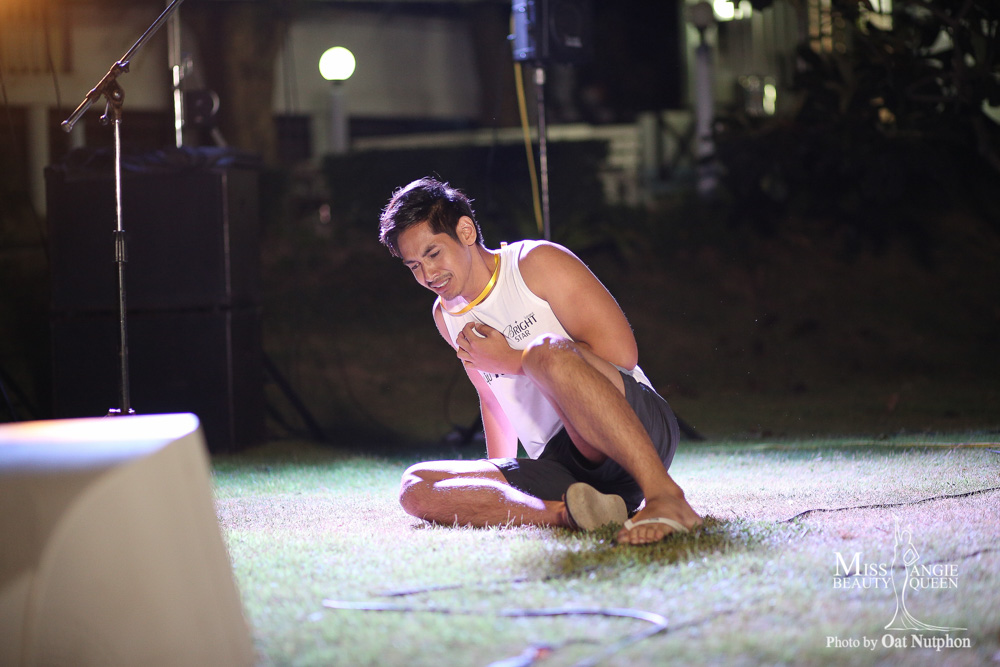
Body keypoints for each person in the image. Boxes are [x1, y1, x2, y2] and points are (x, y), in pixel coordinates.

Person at [378, 177, 701, 545]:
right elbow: (493, 401)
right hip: (561, 467)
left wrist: (513, 360)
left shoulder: (534, 263)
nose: (428, 275)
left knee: (546, 351)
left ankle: (666, 497)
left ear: (465, 231)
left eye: (433, 254)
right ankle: (571, 513)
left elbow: (622, 354)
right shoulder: (446, 316)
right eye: (414, 266)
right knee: (416, 485)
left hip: (633, 428)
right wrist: (497, 476)